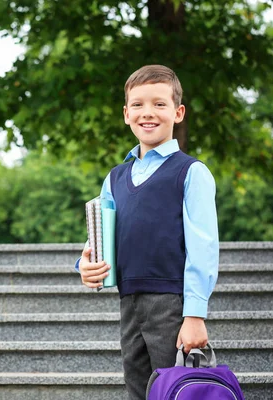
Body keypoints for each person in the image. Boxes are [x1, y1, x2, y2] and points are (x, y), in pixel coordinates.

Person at [75, 64, 219, 400]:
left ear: (178, 112)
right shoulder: (114, 178)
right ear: (126, 114)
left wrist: (194, 314)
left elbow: (204, 246)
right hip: (128, 302)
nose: (147, 113)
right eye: (138, 105)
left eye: (159, 104)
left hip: (170, 302)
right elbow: (99, 238)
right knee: (138, 391)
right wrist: (84, 264)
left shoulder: (191, 172)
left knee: (175, 391)